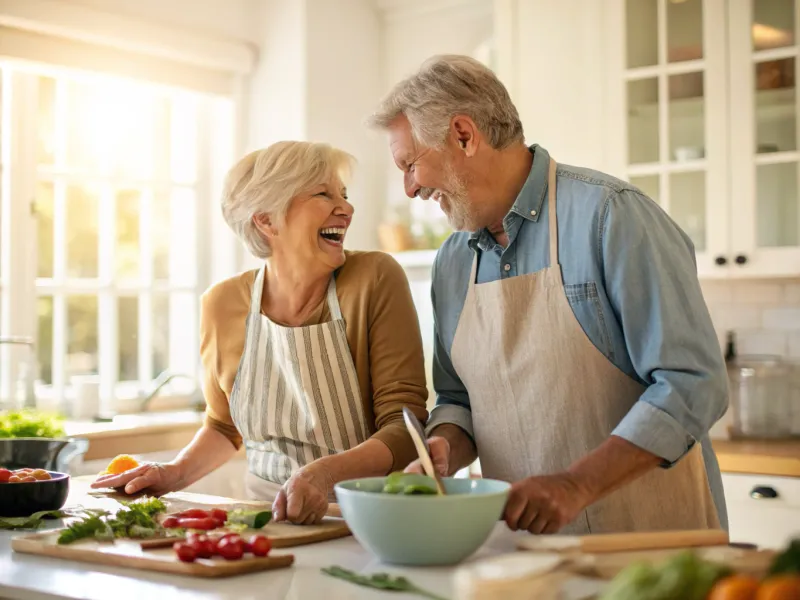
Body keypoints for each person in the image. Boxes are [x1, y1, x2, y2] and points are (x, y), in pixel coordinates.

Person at [366, 55, 728, 535]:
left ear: (463, 135)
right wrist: (445, 448)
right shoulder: (452, 263)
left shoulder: (612, 218)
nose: (410, 189)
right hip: (525, 557)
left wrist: (576, 485)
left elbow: (693, 384)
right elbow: (457, 399)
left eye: (410, 165)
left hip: (650, 546)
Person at [92, 141, 429, 524]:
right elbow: (223, 427)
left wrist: (322, 474)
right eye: (323, 194)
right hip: (268, 520)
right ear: (266, 220)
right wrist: (172, 473)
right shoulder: (222, 304)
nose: (347, 208)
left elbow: (405, 427)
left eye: (344, 195)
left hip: (371, 518)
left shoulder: (374, 279)